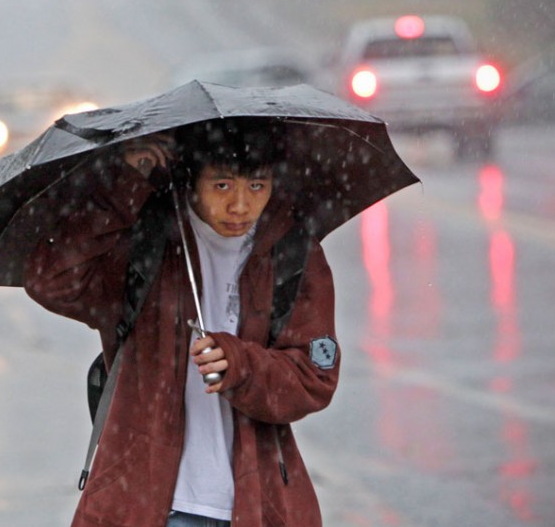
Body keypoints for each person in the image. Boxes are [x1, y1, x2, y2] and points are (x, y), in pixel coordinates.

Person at [25, 118, 340, 527]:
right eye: (223, 185)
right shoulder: (147, 240)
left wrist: (240, 365)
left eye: (257, 186)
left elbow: (313, 378)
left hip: (257, 504)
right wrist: (124, 186)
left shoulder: (293, 252)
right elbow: (52, 280)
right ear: (192, 181)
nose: (241, 205)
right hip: (149, 500)